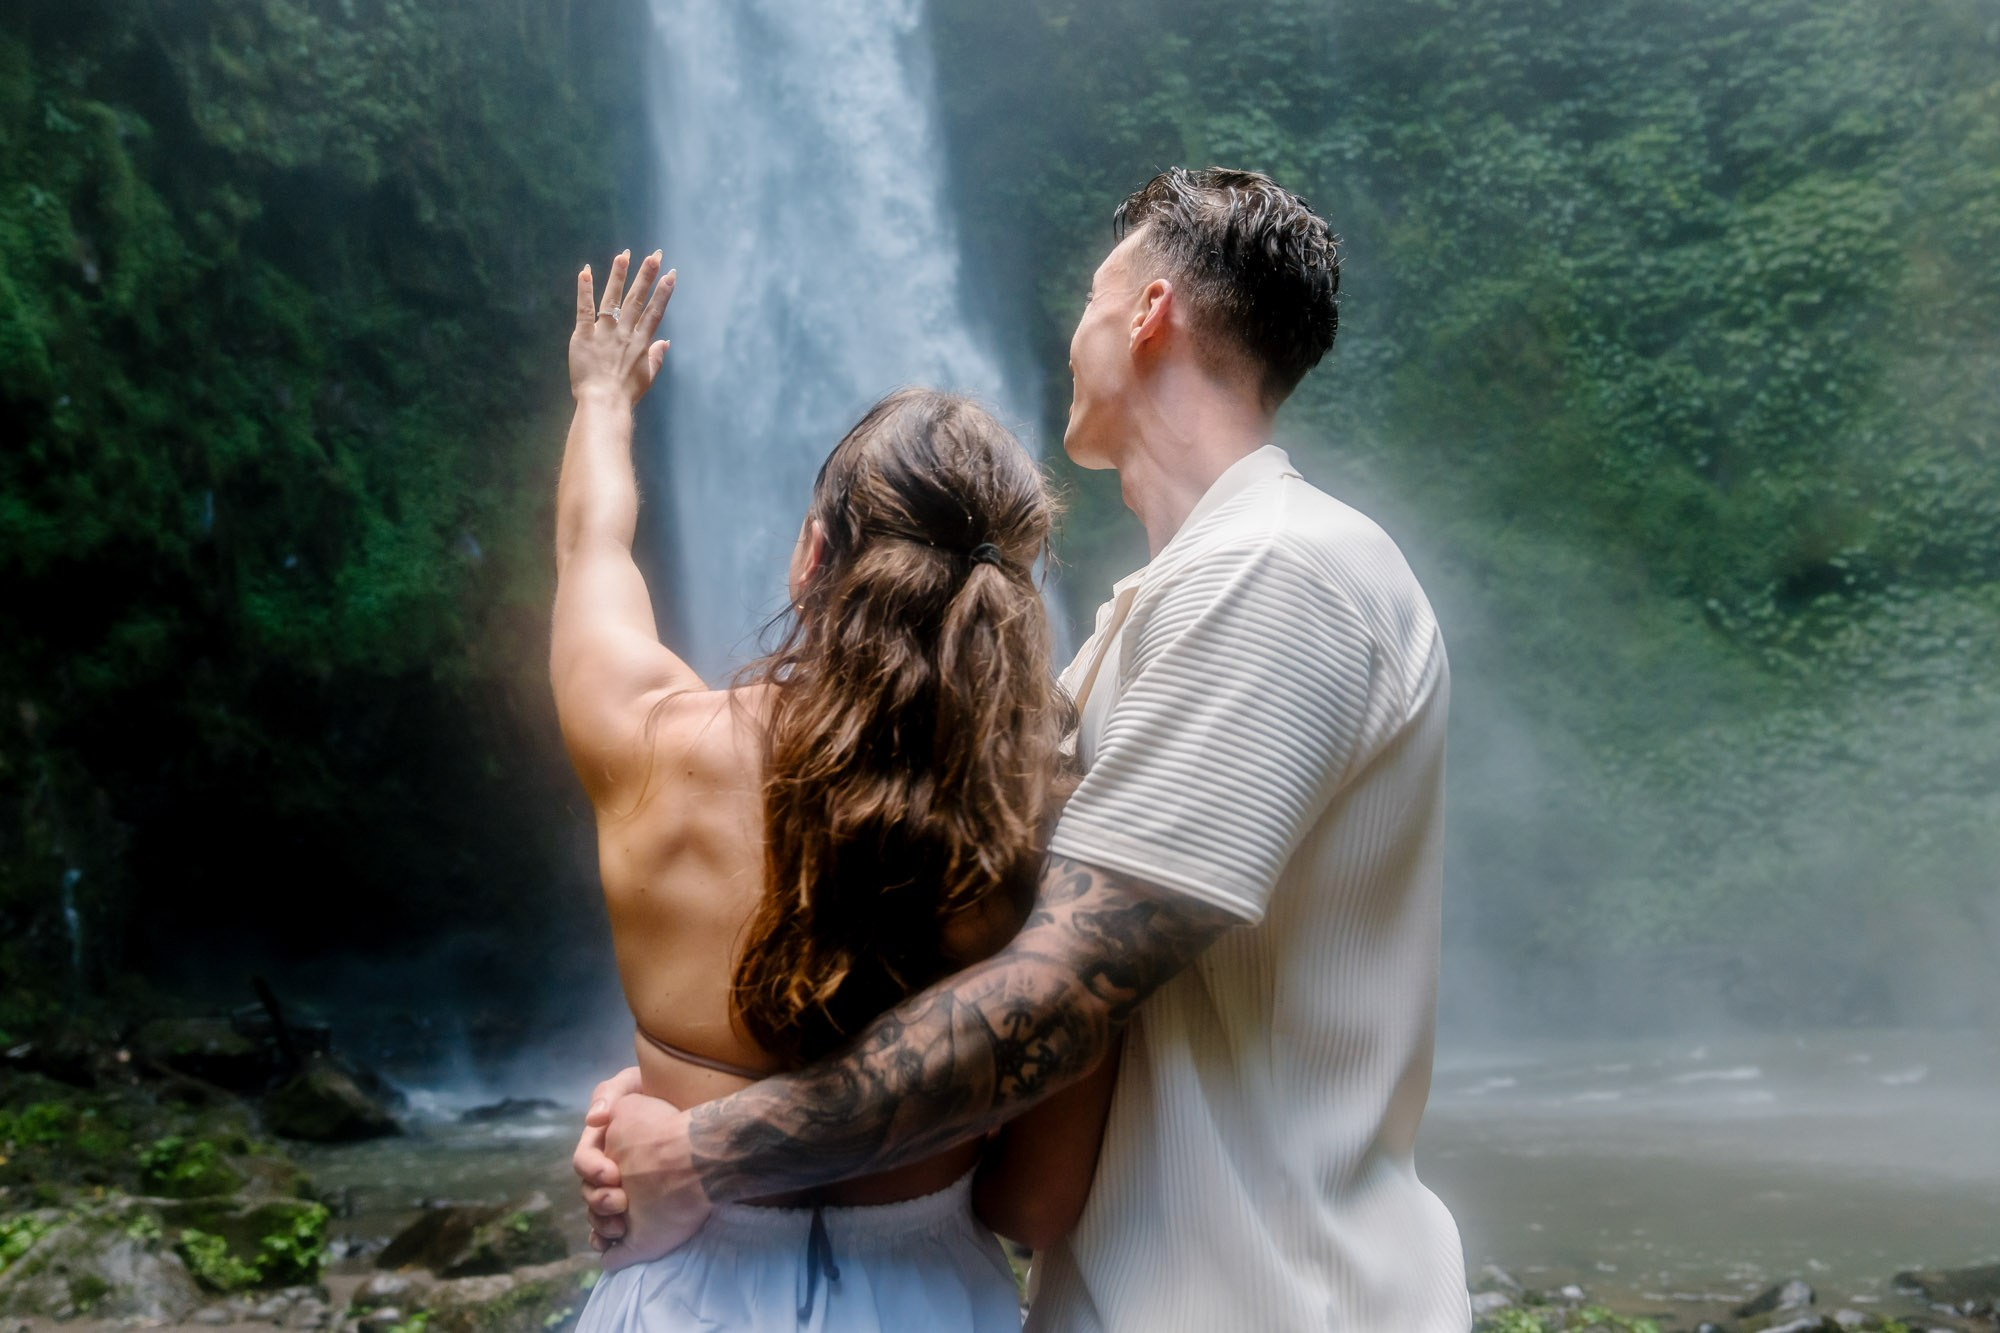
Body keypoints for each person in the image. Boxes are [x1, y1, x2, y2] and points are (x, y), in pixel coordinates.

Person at [575, 168, 1473, 1331]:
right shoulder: (1136, 633)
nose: (1071, 333)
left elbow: (1052, 996)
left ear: (1147, 312)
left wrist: (700, 1143)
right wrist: (689, 1082)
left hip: (1273, 1299)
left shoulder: (1278, 572)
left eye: (1091, 298)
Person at [551, 248, 1117, 1330]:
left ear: (812, 557)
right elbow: (1034, 1205)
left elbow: (591, 547)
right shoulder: (1041, 825)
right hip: (927, 1298)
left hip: (683, 1294)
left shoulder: (645, 738)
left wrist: (600, 399)